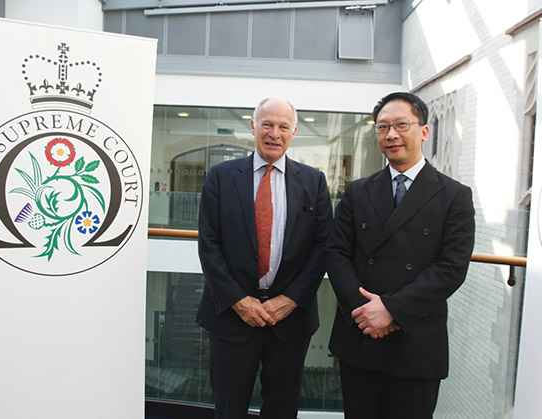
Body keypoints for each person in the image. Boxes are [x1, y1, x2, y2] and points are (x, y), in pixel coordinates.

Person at [326, 92, 475, 419]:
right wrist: (365, 313)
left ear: (423, 131)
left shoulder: (454, 196)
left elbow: (451, 268)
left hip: (416, 341)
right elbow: (336, 253)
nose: (391, 135)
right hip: (361, 337)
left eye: (400, 125)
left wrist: (391, 309)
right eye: (382, 128)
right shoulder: (358, 190)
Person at [196, 98, 333, 418]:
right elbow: (209, 244)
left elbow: (323, 246)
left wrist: (291, 299)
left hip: (290, 320)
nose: (274, 133)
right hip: (232, 317)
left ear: (294, 132)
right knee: (229, 408)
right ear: (253, 126)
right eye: (267, 124)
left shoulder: (314, 182)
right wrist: (239, 301)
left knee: (283, 410)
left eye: (283, 126)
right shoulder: (221, 176)